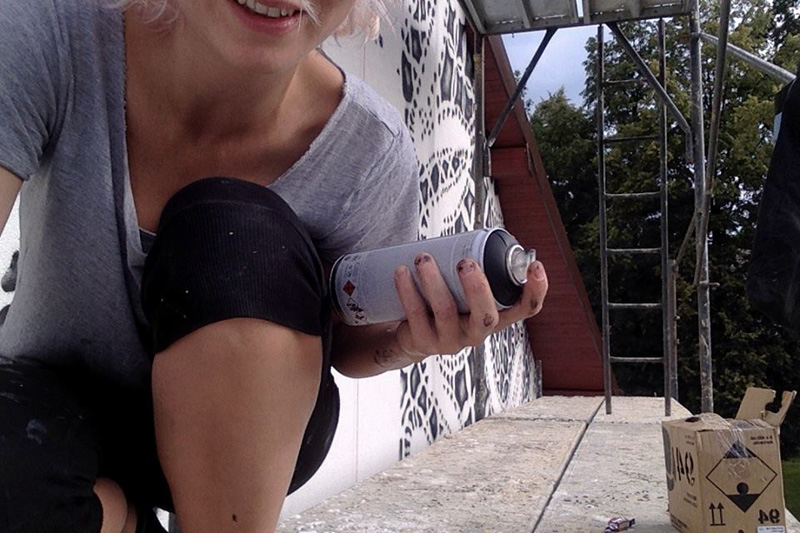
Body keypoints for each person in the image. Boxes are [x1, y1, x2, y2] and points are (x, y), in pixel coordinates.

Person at [0, 0, 550, 532]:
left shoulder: (370, 156)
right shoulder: (55, 26)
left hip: (246, 444)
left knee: (233, 238)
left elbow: (348, 345)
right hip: (45, 406)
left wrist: (409, 343)